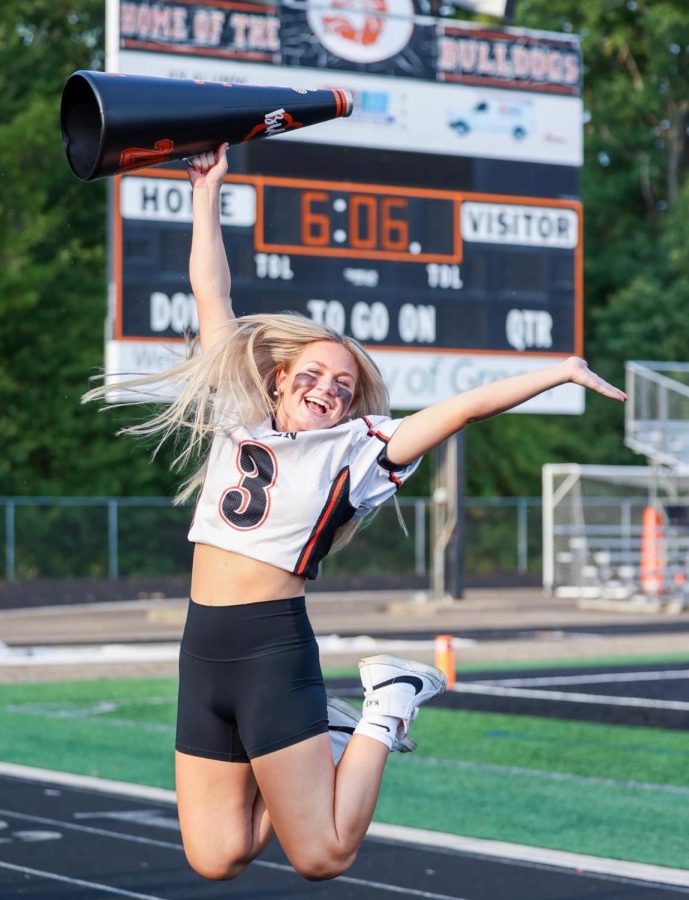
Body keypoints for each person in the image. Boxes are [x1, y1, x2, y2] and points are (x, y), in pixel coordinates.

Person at [85, 144, 626, 883]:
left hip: (272, 651)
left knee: (323, 855)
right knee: (217, 857)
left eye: (344, 384)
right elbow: (212, 296)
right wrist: (206, 192)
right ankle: (334, 732)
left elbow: (463, 407)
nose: (329, 389)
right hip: (201, 646)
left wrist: (556, 370)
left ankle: (388, 702)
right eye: (314, 375)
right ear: (279, 380)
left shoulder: (359, 450)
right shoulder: (239, 412)